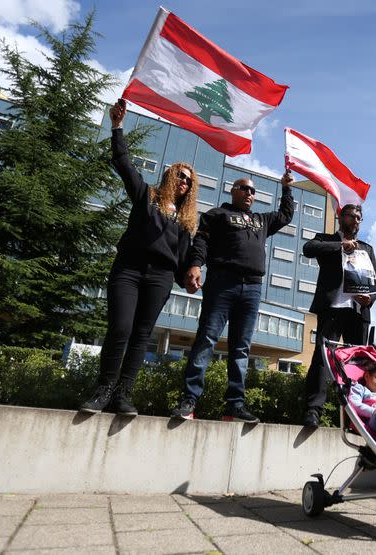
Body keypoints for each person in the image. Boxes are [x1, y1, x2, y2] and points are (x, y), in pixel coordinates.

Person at [80, 99, 198, 416]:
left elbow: (186, 256)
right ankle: (103, 390)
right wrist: (117, 126)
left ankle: (123, 396)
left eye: (188, 179)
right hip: (129, 270)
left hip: (160, 278)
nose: (184, 181)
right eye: (180, 175)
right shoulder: (146, 196)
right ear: (169, 176)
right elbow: (122, 162)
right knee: (120, 328)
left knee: (141, 336)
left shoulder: (186, 222)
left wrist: (191, 274)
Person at [171, 171, 295, 423]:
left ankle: (234, 406)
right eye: (244, 188)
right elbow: (201, 242)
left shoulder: (262, 219)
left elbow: (285, 215)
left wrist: (286, 188)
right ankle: (189, 400)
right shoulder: (217, 214)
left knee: (241, 347)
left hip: (252, 288)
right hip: (222, 283)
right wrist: (195, 265)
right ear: (233, 190)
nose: (249, 193)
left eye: (253, 191)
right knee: (206, 340)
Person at [301, 203, 376, 428]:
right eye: (351, 216)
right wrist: (340, 246)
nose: (355, 220)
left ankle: (355, 416)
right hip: (333, 308)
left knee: (358, 365)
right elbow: (308, 248)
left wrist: (370, 299)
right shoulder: (327, 240)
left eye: (358, 218)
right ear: (340, 217)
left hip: (358, 313)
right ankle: (313, 410)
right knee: (323, 359)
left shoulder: (367, 248)